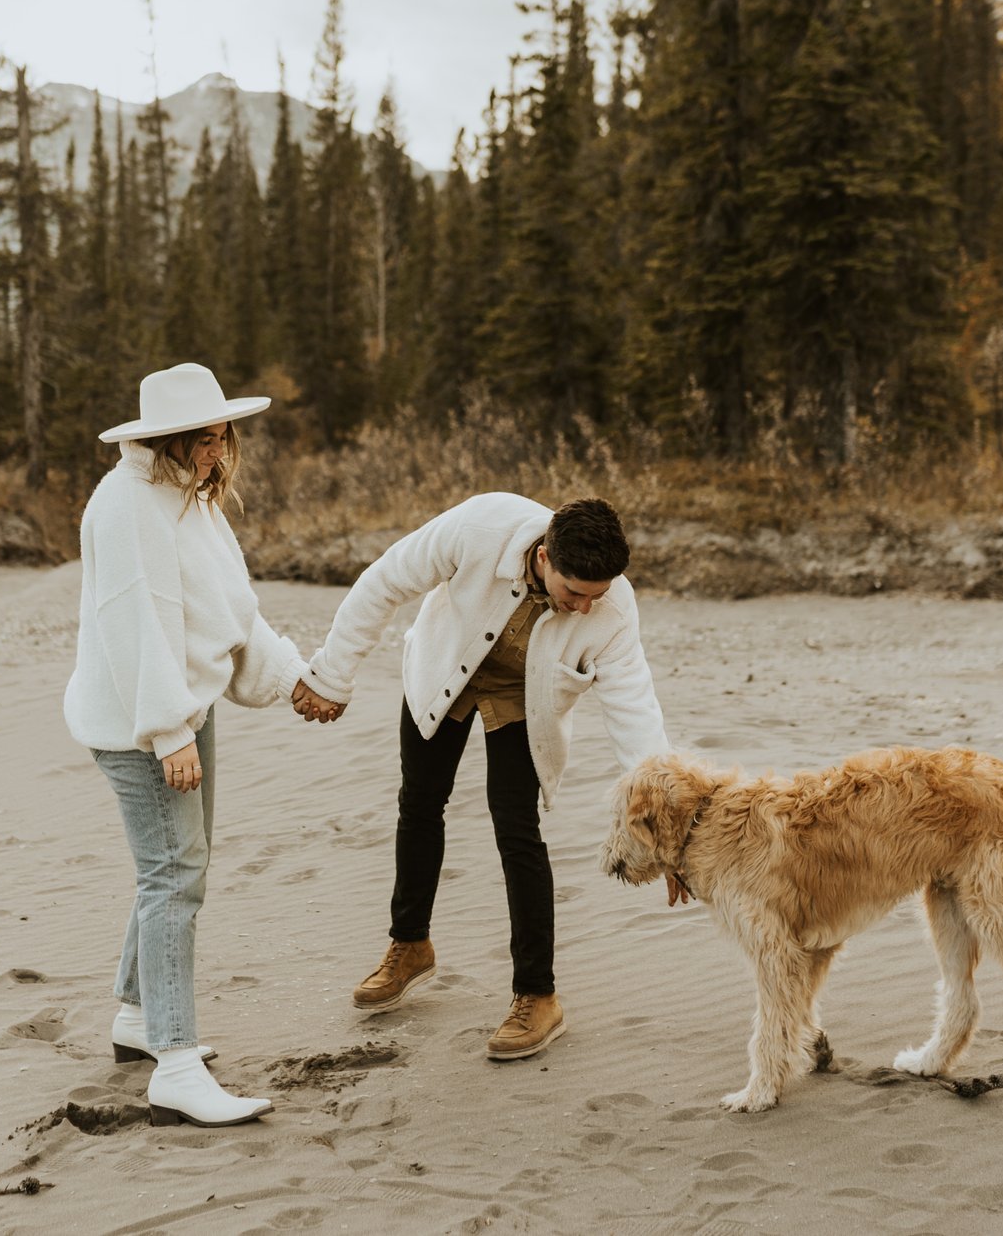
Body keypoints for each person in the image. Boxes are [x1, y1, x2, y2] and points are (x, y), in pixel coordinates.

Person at [290, 494, 670, 1060]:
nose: (587, 608)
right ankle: (409, 946)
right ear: (544, 556)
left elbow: (634, 708)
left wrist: (666, 829)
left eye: (599, 596)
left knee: (516, 829)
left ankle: (538, 996)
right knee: (419, 803)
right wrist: (332, 674)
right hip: (444, 669)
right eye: (575, 594)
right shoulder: (479, 525)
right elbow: (384, 581)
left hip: (525, 698)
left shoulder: (614, 608)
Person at [62, 363, 311, 1127]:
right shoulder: (126, 504)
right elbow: (133, 626)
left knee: (179, 864)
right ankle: (174, 1059)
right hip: (142, 719)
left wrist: (296, 677)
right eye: (204, 436)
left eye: (222, 432)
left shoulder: (188, 498)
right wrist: (168, 730)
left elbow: (228, 607)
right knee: (175, 874)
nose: (218, 448)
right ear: (168, 438)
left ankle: (138, 1015)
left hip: (183, 706)